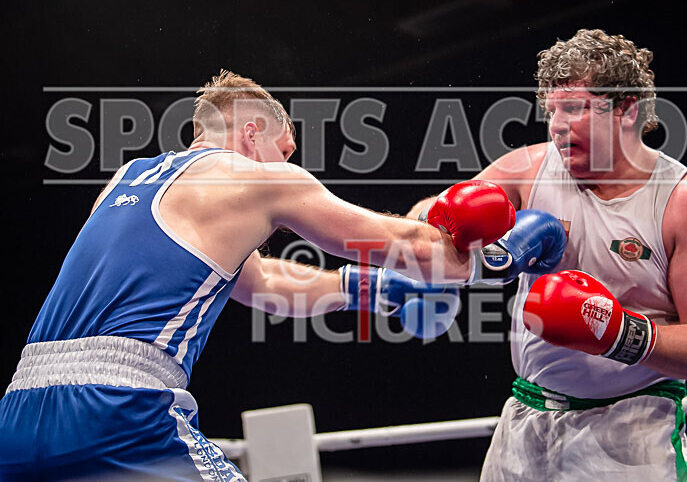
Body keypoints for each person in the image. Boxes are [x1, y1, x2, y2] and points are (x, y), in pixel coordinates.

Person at [0, 70, 530, 481]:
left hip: (18, 412)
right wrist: (497, 257)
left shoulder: (125, 178)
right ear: (252, 132)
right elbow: (405, 244)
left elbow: (265, 284)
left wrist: (371, 288)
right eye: (285, 149)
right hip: (119, 408)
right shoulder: (261, 179)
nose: (287, 162)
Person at [408, 29, 687, 481]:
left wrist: (616, 333)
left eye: (575, 109)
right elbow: (426, 219)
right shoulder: (529, 169)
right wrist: (442, 217)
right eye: (552, 111)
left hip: (631, 432)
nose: (557, 125)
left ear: (626, 109)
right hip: (524, 423)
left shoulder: (683, 204)